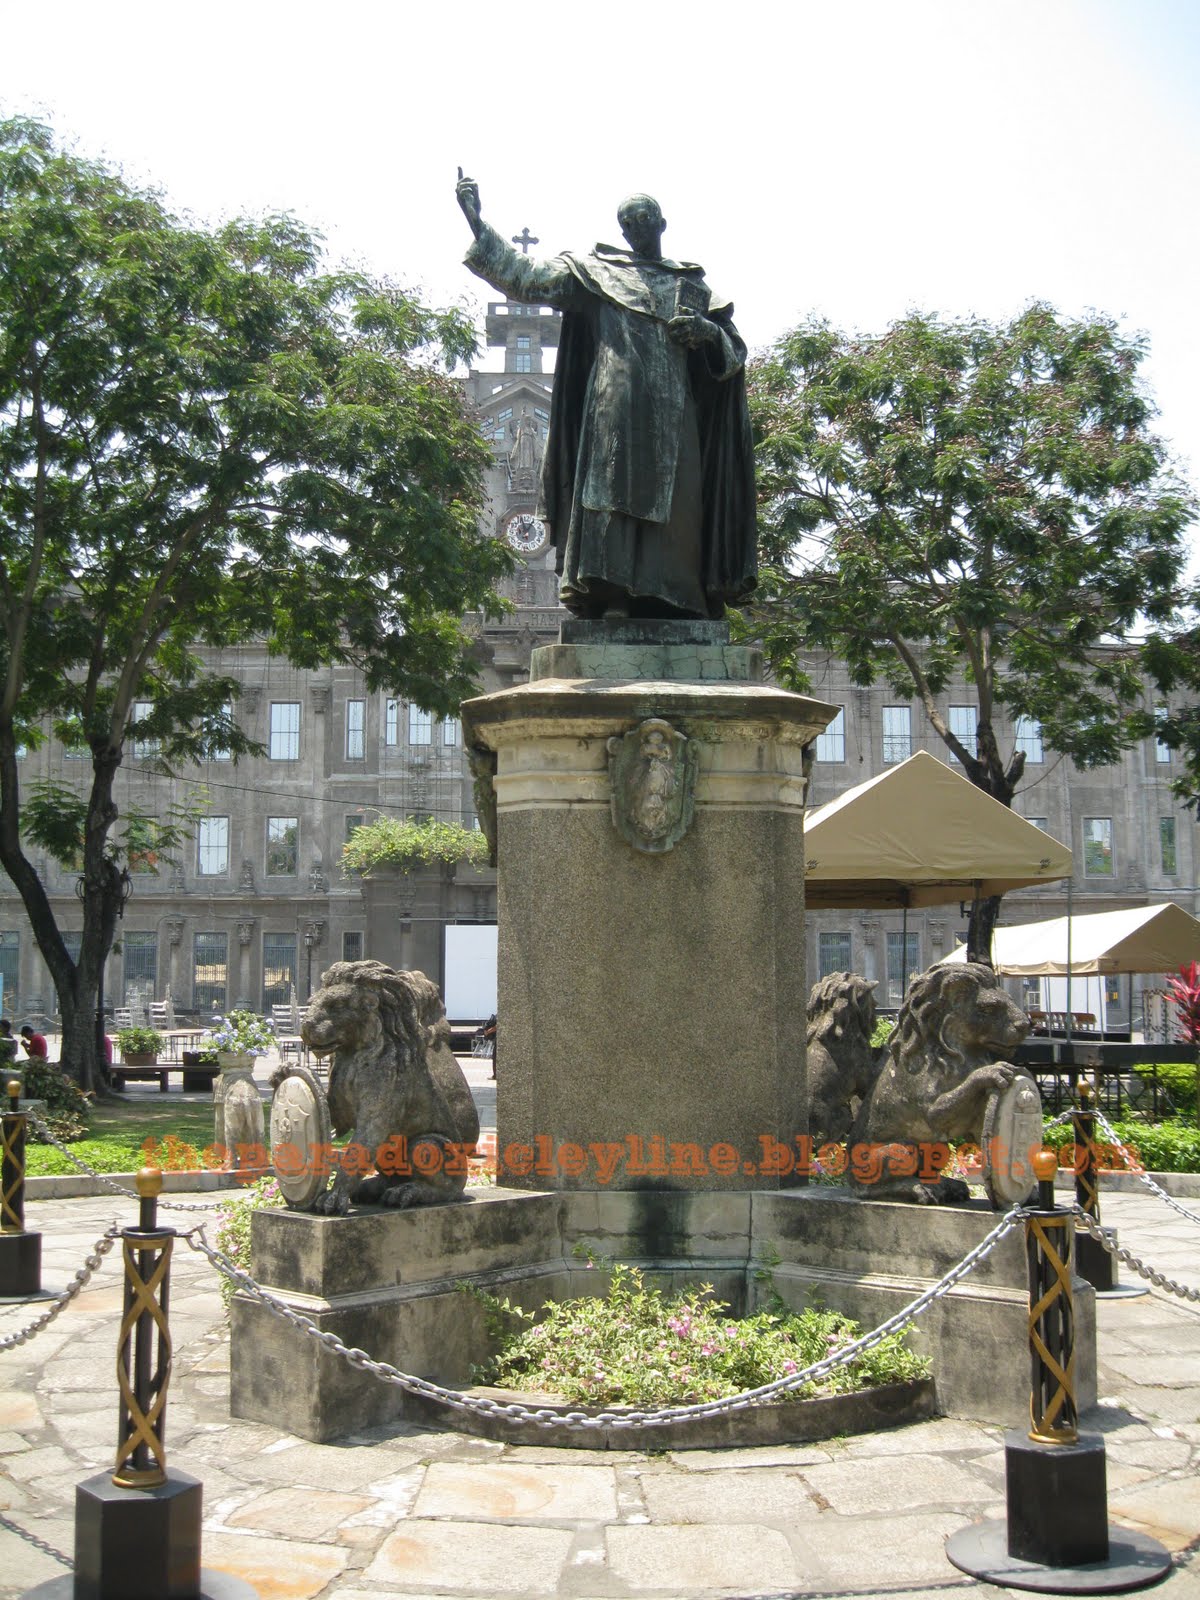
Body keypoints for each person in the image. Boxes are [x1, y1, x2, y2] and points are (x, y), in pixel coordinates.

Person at [456, 173, 756, 621]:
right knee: (609, 497)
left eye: (644, 219)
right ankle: (611, 596)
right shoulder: (598, 275)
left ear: (661, 224)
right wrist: (479, 225)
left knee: (682, 505)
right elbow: (530, 278)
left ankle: (678, 600)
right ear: (623, 231)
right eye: (629, 222)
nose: (637, 227)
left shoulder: (691, 286)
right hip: (613, 407)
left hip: (677, 417)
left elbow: (731, 348)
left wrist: (707, 332)